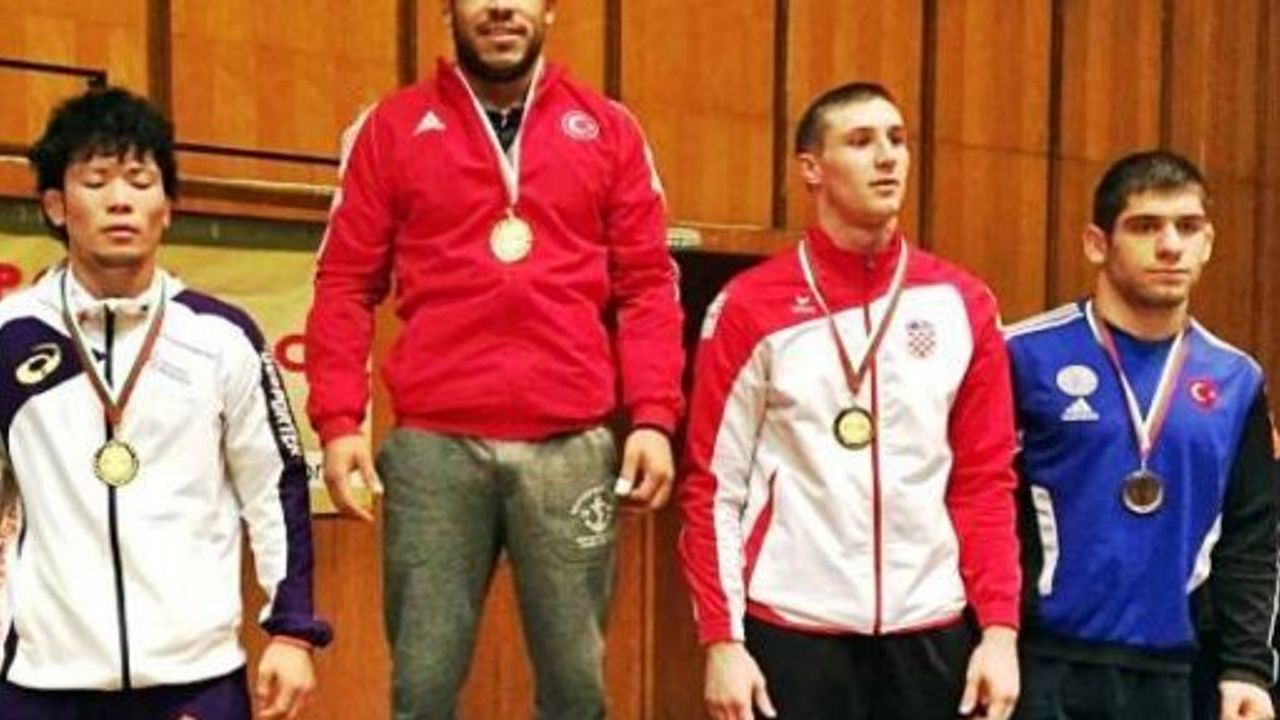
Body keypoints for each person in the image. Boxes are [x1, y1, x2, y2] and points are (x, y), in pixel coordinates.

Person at [304, 0, 685, 717]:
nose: (502, 6)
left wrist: (654, 417)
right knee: (421, 691)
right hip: (434, 450)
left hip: (571, 445)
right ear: (447, 12)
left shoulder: (610, 129)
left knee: (577, 694)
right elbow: (345, 283)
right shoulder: (390, 127)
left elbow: (646, 287)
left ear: (550, 9)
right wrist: (339, 421)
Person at [677, 81, 1021, 720]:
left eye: (897, 140)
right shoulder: (750, 307)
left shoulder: (963, 304)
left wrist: (999, 631)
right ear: (812, 168)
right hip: (793, 627)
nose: (887, 157)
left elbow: (984, 483)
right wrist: (722, 640)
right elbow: (712, 488)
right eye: (861, 142)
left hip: (930, 627)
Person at [0, 87, 330, 720]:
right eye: (96, 180)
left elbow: (275, 484)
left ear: (168, 208)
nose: (120, 199)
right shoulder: (10, 335)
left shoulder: (221, 337)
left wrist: (292, 631)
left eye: (140, 180)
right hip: (41, 681)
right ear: (56, 205)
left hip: (196, 680)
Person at [1005, 151, 1278, 720]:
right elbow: (978, 504)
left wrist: (1247, 668)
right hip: (1042, 665)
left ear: (1208, 243)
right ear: (1096, 244)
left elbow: (1250, 537)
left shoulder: (1236, 380)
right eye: (1146, 226)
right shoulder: (1023, 355)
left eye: (1188, 226)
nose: (1170, 245)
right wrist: (992, 634)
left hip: (1176, 672)